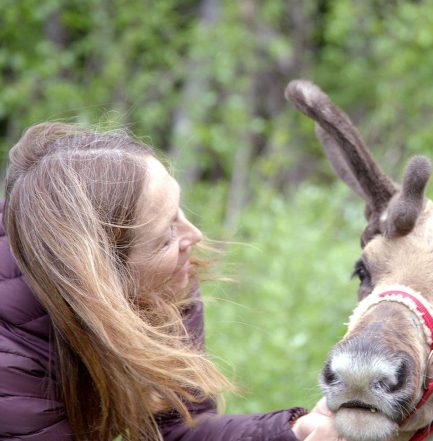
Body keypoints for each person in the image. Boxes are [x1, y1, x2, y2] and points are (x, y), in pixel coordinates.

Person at [0, 122, 341, 440]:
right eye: (165, 238)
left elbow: (177, 428)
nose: (194, 235)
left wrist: (291, 432)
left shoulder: (165, 282)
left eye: (178, 211)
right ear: (101, 279)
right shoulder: (13, 371)